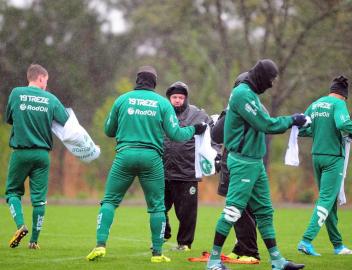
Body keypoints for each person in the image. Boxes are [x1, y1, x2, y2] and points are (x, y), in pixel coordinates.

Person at [86, 66, 207, 263]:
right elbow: (176, 134)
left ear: (137, 80)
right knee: (157, 207)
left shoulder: (122, 100)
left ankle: (100, 245)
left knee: (109, 201)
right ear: (155, 83)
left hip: (124, 156)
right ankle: (157, 254)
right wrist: (194, 129)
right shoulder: (162, 103)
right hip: (152, 159)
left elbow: (108, 130)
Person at [206, 59, 306, 270]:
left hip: (255, 161)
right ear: (261, 77)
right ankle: (213, 261)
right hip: (242, 161)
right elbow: (265, 124)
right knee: (233, 211)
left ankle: (278, 261)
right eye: (270, 80)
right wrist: (292, 120)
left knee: (265, 211)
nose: (271, 85)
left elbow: (264, 123)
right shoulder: (243, 94)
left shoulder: (250, 94)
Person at [5, 64, 69, 250]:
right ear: (40, 78)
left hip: (21, 152)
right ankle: (34, 241)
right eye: (45, 81)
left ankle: (20, 226)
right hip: (42, 155)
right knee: (39, 200)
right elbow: (66, 123)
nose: (45, 86)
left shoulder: (16, 93)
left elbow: (10, 118)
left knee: (12, 193)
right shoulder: (51, 99)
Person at [296, 75, 352, 256]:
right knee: (326, 200)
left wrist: (319, 131)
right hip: (333, 158)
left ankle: (338, 245)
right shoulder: (339, 104)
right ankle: (306, 240)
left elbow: (303, 128)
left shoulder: (316, 104)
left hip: (317, 157)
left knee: (329, 202)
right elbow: (343, 123)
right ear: (344, 95)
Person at [211, 72, 263, 263]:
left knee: (238, 208)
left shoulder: (237, 106)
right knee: (245, 207)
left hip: (238, 163)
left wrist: (223, 115)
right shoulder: (257, 106)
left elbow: (216, 135)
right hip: (252, 162)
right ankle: (240, 248)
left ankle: (250, 251)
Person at [163, 81, 213, 251]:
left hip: (188, 172)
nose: (177, 100)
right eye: (174, 97)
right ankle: (162, 234)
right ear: (169, 98)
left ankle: (184, 244)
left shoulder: (198, 115)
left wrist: (216, 155)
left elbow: (214, 135)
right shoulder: (162, 112)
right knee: (158, 207)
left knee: (187, 213)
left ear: (186, 98)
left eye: (180, 97)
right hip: (162, 171)